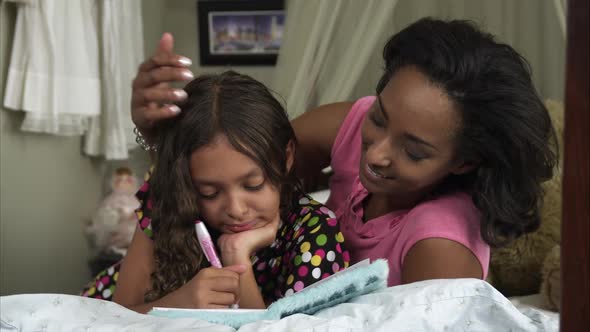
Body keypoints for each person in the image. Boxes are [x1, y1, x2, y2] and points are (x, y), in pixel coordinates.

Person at [129, 18, 557, 288]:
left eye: (414, 151)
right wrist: (161, 133)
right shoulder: (354, 126)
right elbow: (239, 161)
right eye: (381, 116)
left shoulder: (439, 247)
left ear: (464, 161)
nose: (377, 154)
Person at [82, 71, 350, 313]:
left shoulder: (315, 232)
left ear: (286, 157)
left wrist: (236, 255)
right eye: (209, 192)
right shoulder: (170, 201)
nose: (235, 209)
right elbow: (117, 317)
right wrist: (180, 302)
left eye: (252, 184)